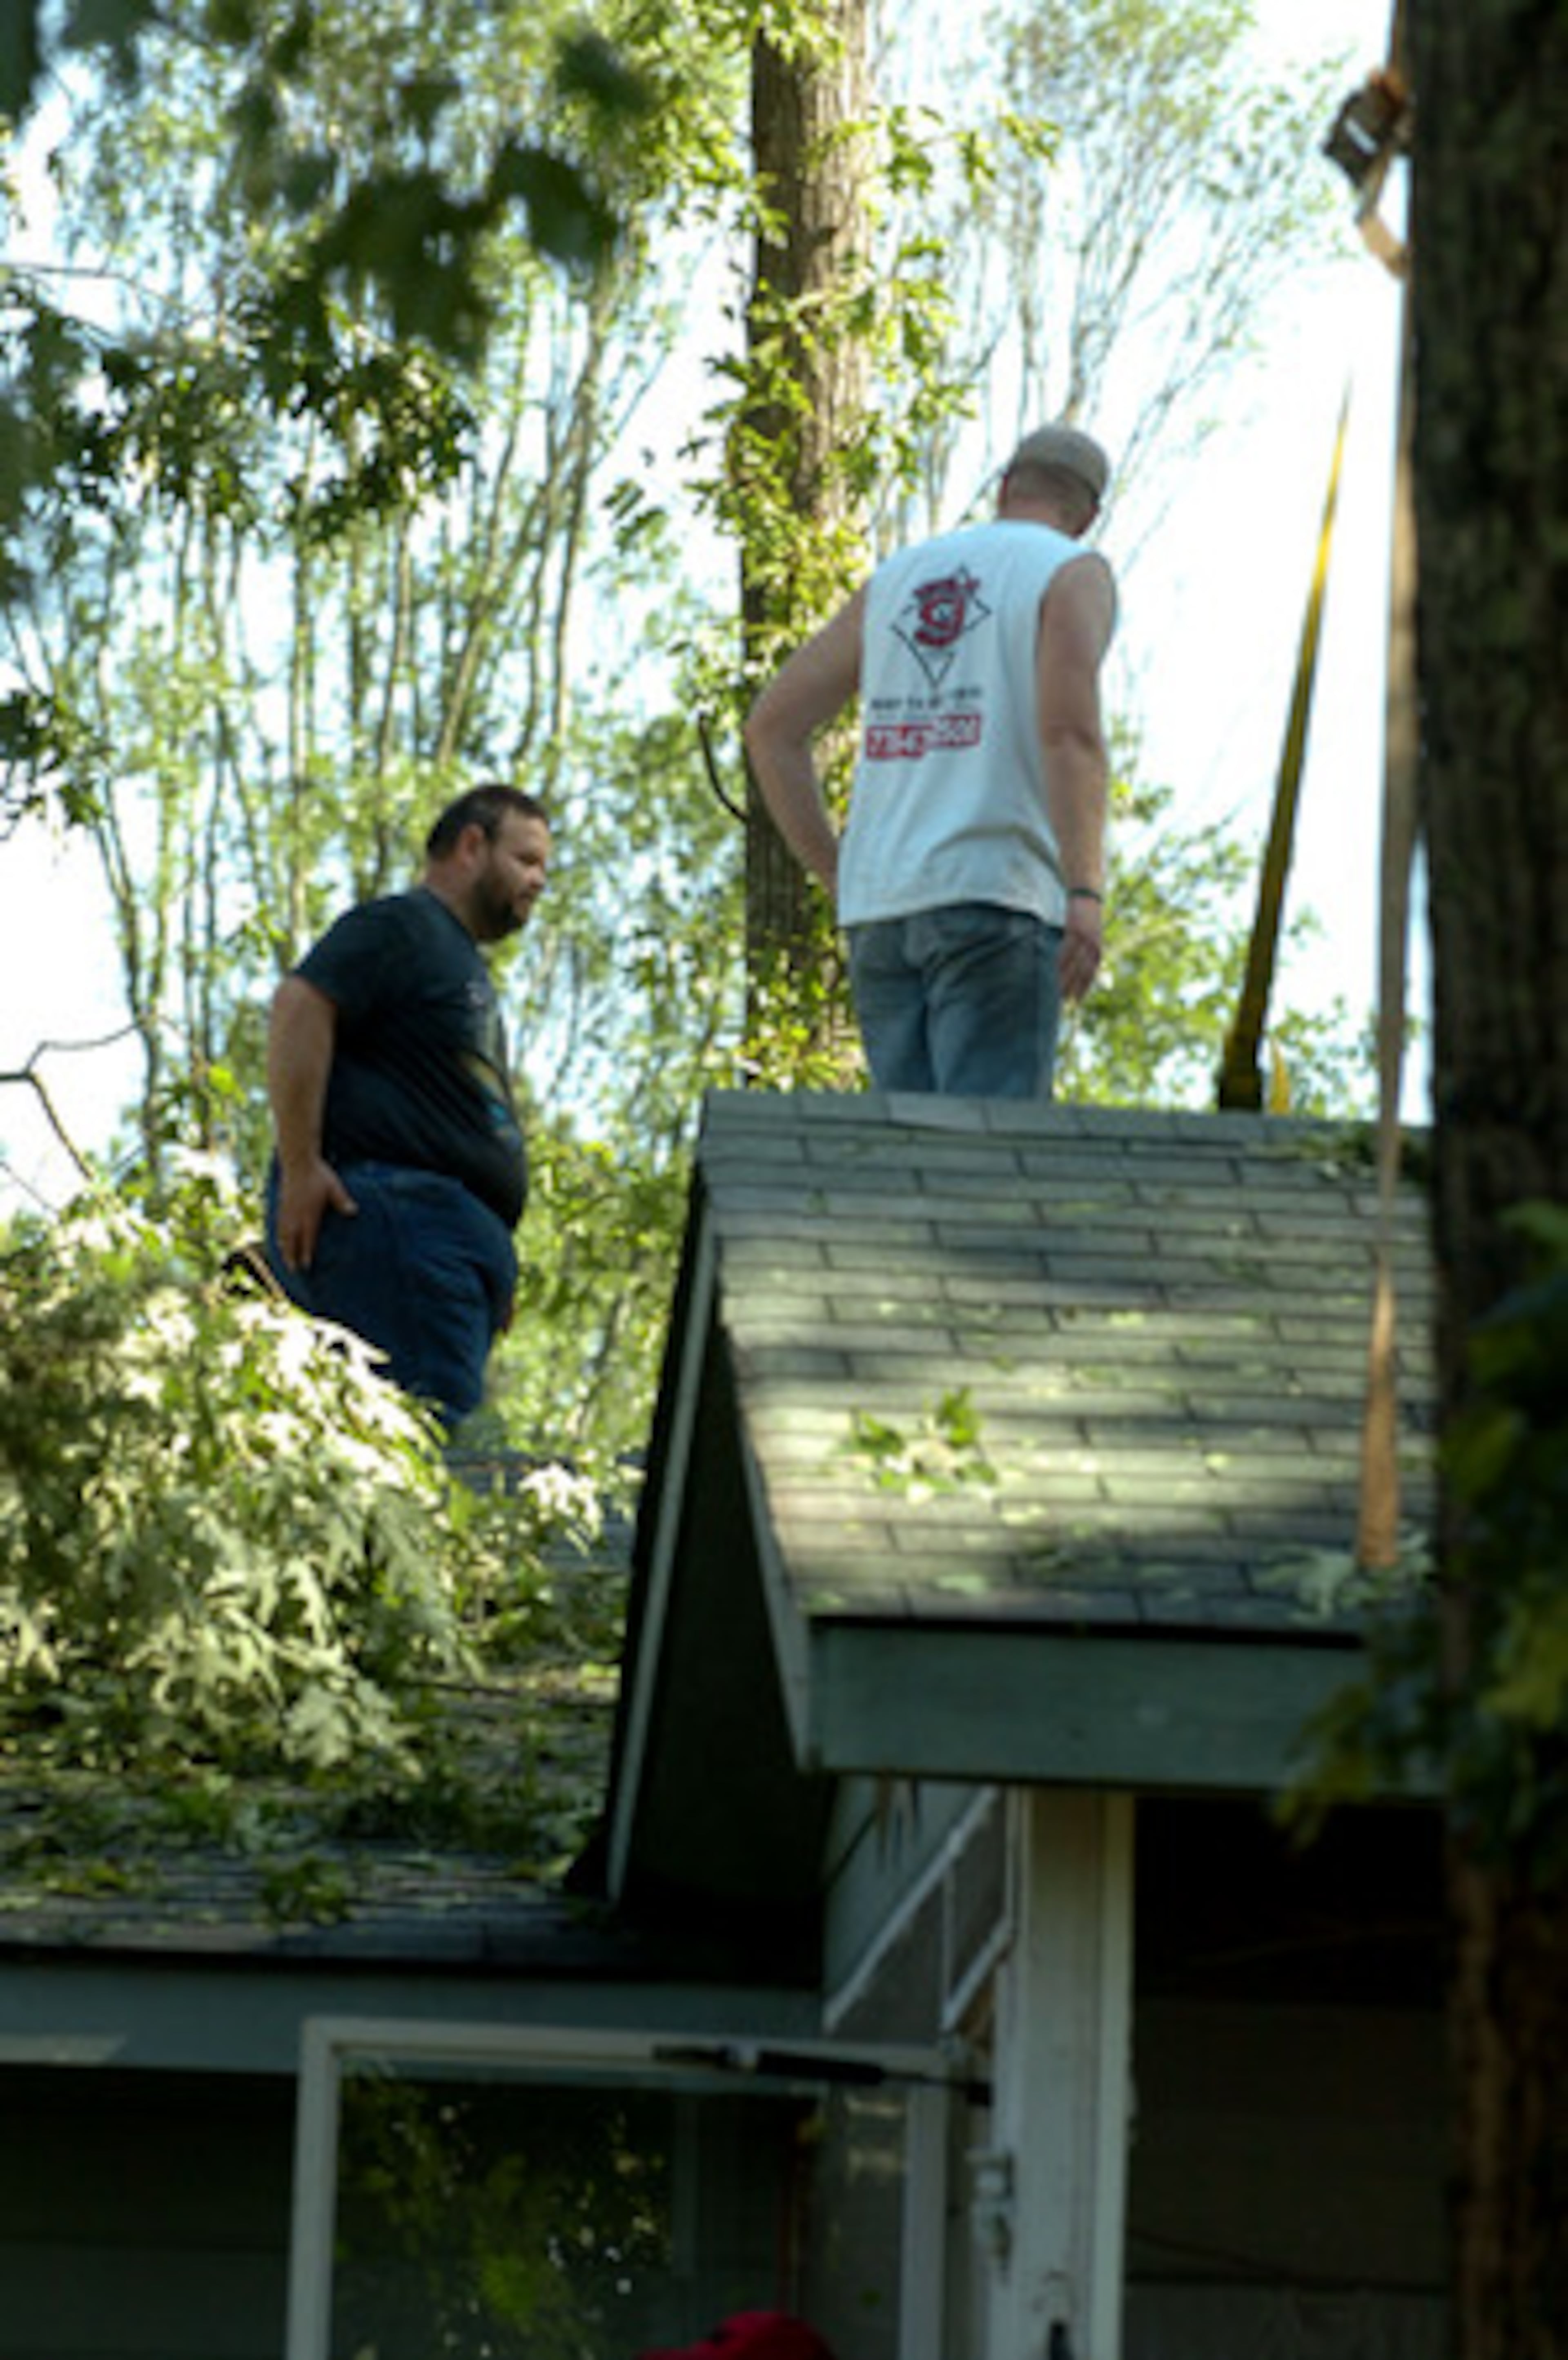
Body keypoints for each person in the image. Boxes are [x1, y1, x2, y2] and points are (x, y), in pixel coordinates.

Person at [744, 422, 1117, 1099]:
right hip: (994, 897)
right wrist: (1085, 892)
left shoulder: (899, 578)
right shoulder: (1071, 572)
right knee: (983, 1169)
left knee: (908, 1172)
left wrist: (842, 873)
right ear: (1089, 515)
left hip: (883, 913)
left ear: (1005, 489)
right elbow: (1070, 734)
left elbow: (772, 729)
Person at [265, 781, 550, 1431]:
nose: (538, 881)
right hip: (397, 1229)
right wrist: (303, 1167)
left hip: (436, 1248)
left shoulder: (453, 959)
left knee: (427, 1458)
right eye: (526, 861)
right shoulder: (404, 927)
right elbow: (300, 1006)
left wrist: (486, 1251)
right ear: (472, 846)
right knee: (420, 1463)